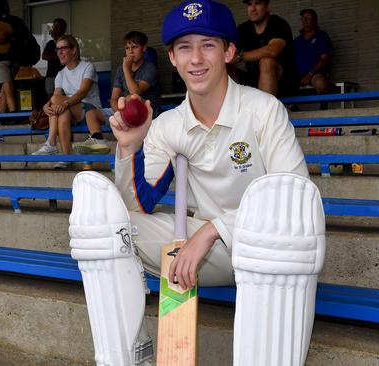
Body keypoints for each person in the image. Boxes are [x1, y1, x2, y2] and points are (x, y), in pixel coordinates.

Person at [68, 0, 326, 365]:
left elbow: (293, 203)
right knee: (105, 226)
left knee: (277, 227)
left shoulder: (264, 110)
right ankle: (128, 357)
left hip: (266, 250)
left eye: (208, 44)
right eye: (185, 47)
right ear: (172, 57)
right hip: (212, 256)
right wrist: (129, 148)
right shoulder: (168, 125)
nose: (196, 59)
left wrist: (210, 231)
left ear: (229, 52)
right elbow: (137, 206)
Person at [73, 31, 161, 154]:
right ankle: (98, 140)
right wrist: (121, 112)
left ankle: (127, 151)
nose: (130, 51)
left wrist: (126, 68)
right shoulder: (121, 69)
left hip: (145, 111)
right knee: (91, 113)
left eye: (134, 47)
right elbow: (114, 98)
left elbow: (135, 91)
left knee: (132, 97)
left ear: (144, 48)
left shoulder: (150, 68)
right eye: (127, 48)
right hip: (124, 109)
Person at [32, 35, 110, 167]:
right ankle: (66, 157)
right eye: (57, 49)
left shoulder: (87, 66)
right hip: (70, 110)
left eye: (63, 48)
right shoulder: (60, 74)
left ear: (74, 50)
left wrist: (62, 103)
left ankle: (51, 143)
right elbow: (56, 96)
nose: (59, 53)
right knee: (62, 113)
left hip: (90, 111)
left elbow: (82, 92)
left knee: (57, 102)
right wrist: (47, 106)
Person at [233, 0, 297, 96]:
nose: (253, 9)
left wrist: (239, 57)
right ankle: (226, 108)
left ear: (267, 7)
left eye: (258, 3)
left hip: (282, 82)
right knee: (223, 65)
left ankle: (266, 110)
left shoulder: (278, 23)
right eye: (249, 4)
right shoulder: (244, 29)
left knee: (266, 61)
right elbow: (230, 51)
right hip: (253, 79)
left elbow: (272, 50)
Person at [294, 9, 333, 103]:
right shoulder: (297, 40)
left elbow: (324, 58)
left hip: (314, 74)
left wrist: (309, 74)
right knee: (282, 83)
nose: (305, 21)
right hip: (297, 75)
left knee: (321, 83)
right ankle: (293, 109)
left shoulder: (321, 36)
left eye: (308, 18)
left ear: (315, 20)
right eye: (303, 18)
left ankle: (323, 108)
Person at [42, 18, 67, 97]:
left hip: (65, 75)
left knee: (63, 97)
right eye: (54, 26)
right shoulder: (51, 43)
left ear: (63, 28)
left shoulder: (68, 42)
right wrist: (59, 56)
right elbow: (44, 56)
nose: (55, 28)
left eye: (58, 26)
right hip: (51, 75)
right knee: (50, 97)